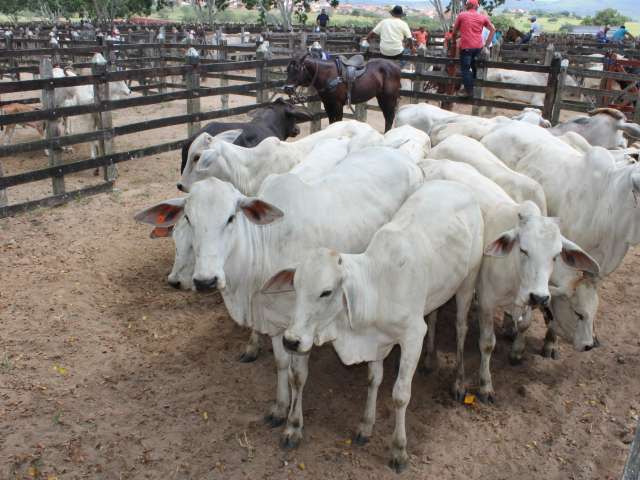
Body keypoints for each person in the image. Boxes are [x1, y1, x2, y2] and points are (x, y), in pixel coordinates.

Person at [451, 0, 495, 98]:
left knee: (465, 69)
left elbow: (454, 32)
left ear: (470, 5)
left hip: (466, 47)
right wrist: (486, 46)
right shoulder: (482, 17)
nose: (466, 5)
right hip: (478, 48)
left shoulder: (462, 15)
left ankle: (469, 91)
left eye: (467, 4)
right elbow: (493, 30)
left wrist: (453, 41)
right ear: (476, 6)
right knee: (475, 68)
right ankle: (474, 88)